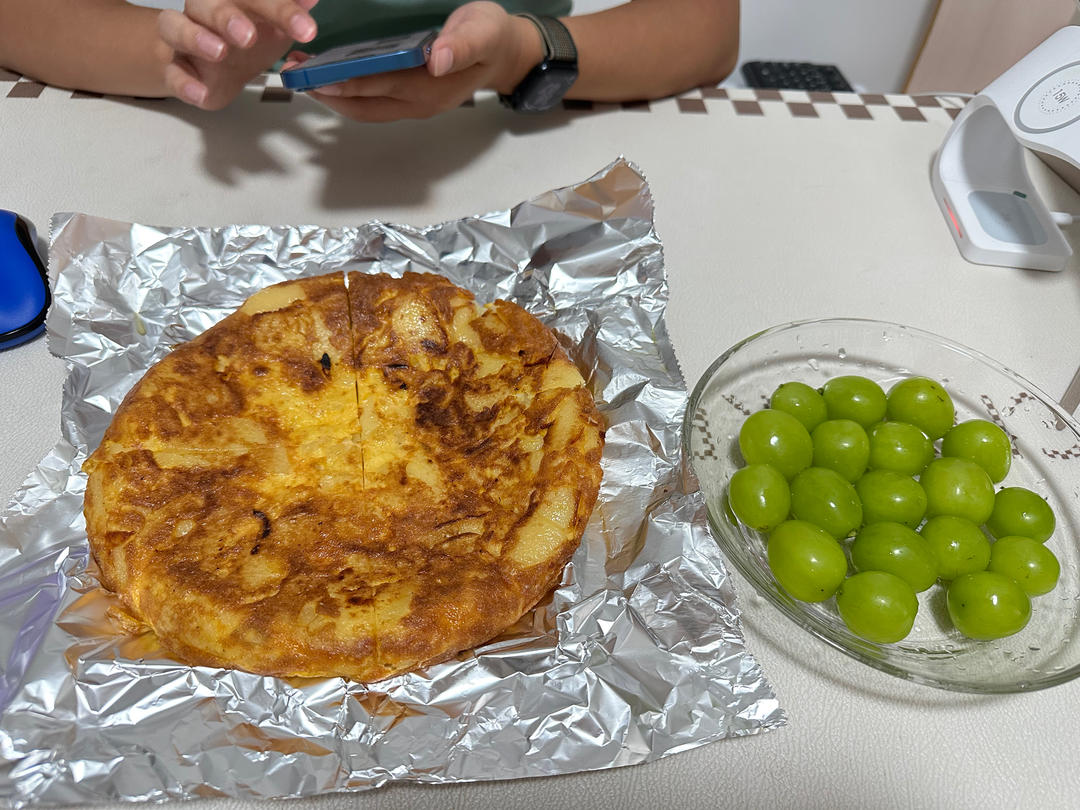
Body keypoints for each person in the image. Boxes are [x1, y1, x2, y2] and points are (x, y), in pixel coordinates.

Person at [0, 0, 738, 122]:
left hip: (513, 134)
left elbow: (705, 28)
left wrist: (520, 50)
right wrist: (189, 53)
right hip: (248, 136)